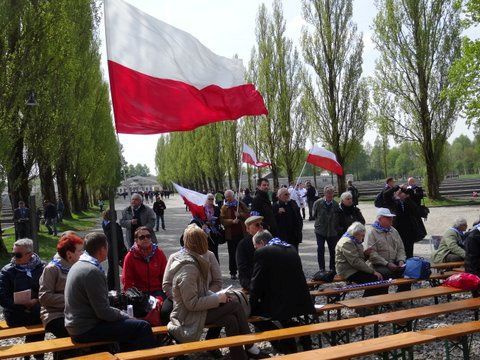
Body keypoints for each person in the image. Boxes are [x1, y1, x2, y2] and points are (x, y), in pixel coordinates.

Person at [167, 225, 264, 360]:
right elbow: (191, 304)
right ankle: (250, 346)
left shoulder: (194, 261)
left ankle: (239, 356)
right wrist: (217, 299)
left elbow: (205, 289)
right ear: (200, 242)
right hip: (188, 316)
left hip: (198, 310)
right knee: (235, 305)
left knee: (231, 320)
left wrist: (217, 296)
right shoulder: (188, 269)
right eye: (205, 240)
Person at [64, 232, 156, 351]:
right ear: (102, 249)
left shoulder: (80, 265)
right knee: (142, 326)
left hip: (77, 324)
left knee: (128, 326)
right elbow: (103, 312)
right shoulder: (91, 271)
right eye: (107, 247)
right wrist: (125, 316)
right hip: (85, 329)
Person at [250, 230, 314, 353]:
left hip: (281, 303)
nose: (255, 249)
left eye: (255, 246)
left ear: (262, 242)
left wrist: (251, 305)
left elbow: (256, 282)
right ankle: (300, 339)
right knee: (284, 319)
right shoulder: (290, 248)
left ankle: (285, 346)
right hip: (301, 301)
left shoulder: (263, 252)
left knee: (255, 316)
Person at [39, 233, 83, 359]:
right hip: (54, 314)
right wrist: (71, 299)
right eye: (80, 251)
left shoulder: (78, 266)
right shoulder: (52, 269)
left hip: (74, 312)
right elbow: (44, 297)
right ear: (69, 254)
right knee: (74, 330)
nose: (82, 253)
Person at [0, 239, 45, 360]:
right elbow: (2, 298)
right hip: (15, 313)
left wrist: (36, 300)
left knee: (40, 316)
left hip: (36, 308)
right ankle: (34, 353)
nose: (15, 257)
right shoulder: (7, 271)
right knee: (37, 318)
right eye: (13, 254)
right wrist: (22, 305)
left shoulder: (41, 267)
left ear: (29, 254)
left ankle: (36, 353)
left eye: (18, 255)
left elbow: (47, 290)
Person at [335, 222, 386, 297]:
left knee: (380, 278)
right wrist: (373, 272)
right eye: (362, 235)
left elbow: (360, 259)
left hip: (354, 269)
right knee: (375, 279)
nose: (363, 238)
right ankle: (366, 304)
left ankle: (373, 303)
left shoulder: (355, 240)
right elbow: (355, 262)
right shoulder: (346, 242)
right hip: (347, 271)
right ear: (355, 234)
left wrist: (365, 254)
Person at [366, 208, 410, 292]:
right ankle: (383, 299)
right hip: (377, 264)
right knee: (386, 274)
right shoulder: (372, 233)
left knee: (409, 272)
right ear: (379, 219)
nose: (391, 220)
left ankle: (401, 297)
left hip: (393, 263)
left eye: (391, 218)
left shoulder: (394, 231)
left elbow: (401, 248)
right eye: (388, 218)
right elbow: (372, 254)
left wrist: (401, 260)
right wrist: (387, 264)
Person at [122, 226, 168, 297]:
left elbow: (166, 276)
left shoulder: (159, 253)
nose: (145, 239)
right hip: (139, 293)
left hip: (158, 291)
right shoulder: (130, 256)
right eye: (142, 237)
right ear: (136, 240)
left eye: (148, 236)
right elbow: (127, 280)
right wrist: (130, 295)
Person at [220, 190, 249, 280]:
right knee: (232, 254)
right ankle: (233, 272)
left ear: (233, 196)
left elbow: (248, 214)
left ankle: (243, 271)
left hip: (242, 233)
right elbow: (222, 220)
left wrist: (239, 215)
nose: (228, 198)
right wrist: (232, 221)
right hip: (231, 235)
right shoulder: (224, 207)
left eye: (230, 196)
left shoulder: (240, 204)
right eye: (227, 197)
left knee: (242, 253)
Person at [391, 185, 425, 259]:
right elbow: (396, 213)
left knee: (409, 250)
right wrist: (396, 197)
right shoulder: (394, 202)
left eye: (402, 193)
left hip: (409, 229)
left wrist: (407, 198)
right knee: (400, 249)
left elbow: (415, 210)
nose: (401, 195)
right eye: (399, 193)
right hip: (398, 229)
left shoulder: (408, 201)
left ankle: (409, 262)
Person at [313, 185, 340, 272]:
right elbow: (315, 214)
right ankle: (322, 268)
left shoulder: (336, 204)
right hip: (320, 230)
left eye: (331, 192)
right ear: (324, 193)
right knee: (320, 248)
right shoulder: (318, 203)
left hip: (332, 231)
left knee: (333, 250)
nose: (329, 194)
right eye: (328, 192)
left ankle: (332, 268)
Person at [102, 210, 128, 291]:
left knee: (112, 270)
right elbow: (119, 240)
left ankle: (111, 288)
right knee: (127, 267)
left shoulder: (105, 224)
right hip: (119, 250)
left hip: (110, 250)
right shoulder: (115, 226)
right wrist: (124, 250)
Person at [236, 216, 264, 291]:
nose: (260, 227)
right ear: (248, 229)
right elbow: (242, 267)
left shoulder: (267, 240)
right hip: (250, 280)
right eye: (257, 225)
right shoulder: (243, 244)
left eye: (261, 224)